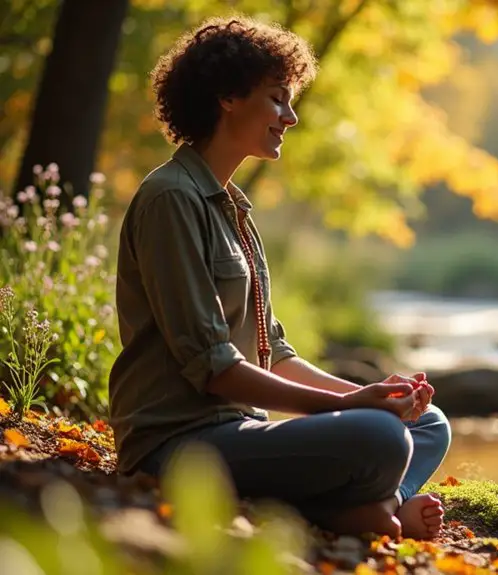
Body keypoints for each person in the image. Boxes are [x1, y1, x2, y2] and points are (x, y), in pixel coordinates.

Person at [107, 16, 450, 541]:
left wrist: (372, 392)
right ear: (227, 96)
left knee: (425, 424)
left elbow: (276, 352)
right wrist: (346, 407)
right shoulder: (171, 199)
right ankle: (349, 511)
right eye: (276, 99)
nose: (290, 117)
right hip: (177, 445)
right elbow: (213, 368)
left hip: (242, 432)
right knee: (381, 437)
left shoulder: (233, 210)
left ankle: (361, 507)